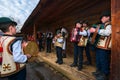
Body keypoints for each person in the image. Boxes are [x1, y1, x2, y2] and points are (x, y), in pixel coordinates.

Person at [90, 11, 111, 80]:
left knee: (104, 60)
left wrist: (96, 31)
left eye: (103, 17)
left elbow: (107, 33)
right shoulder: (103, 25)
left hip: (105, 47)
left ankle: (104, 74)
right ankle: (99, 72)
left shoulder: (109, 25)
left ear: (108, 17)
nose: (101, 19)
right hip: (99, 46)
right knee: (98, 60)